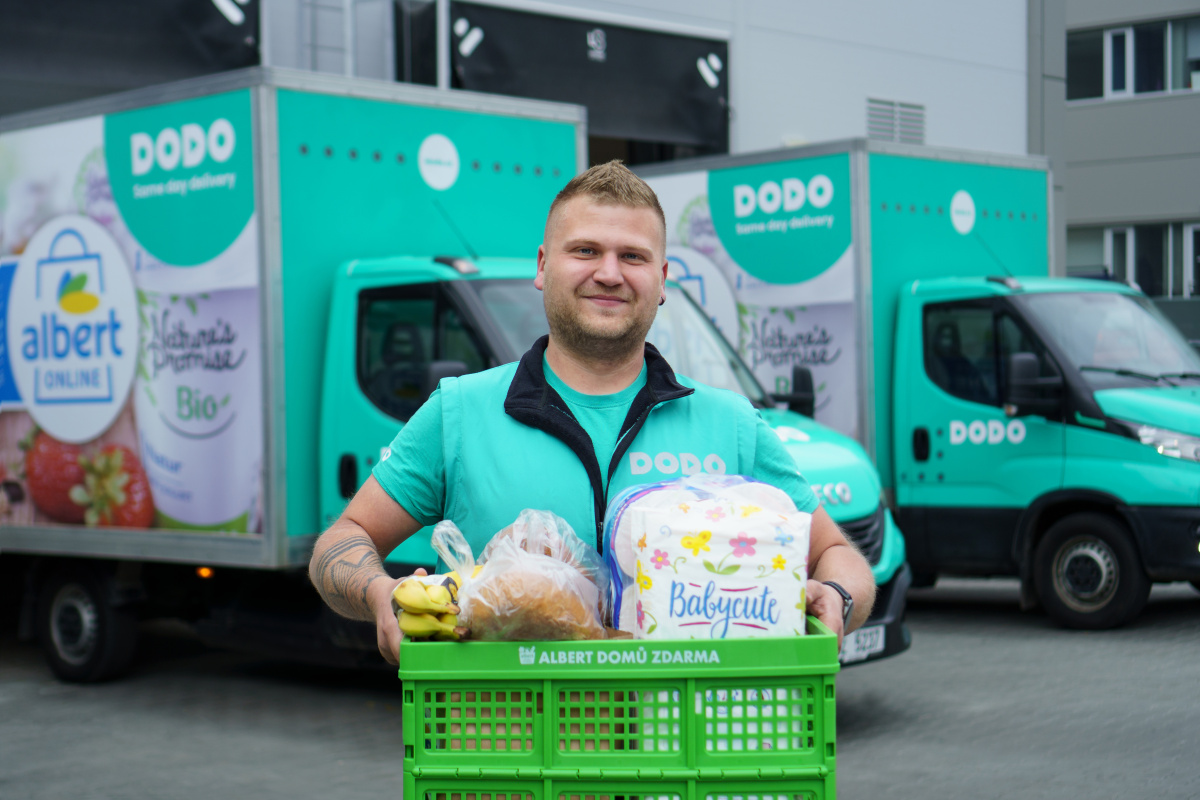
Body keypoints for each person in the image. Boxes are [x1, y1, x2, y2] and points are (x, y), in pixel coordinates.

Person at [309, 160, 876, 664]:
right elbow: (342, 540)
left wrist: (837, 596)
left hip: (684, 745)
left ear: (661, 280)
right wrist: (381, 594)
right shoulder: (459, 413)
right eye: (585, 250)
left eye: (633, 256)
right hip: (504, 746)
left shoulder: (732, 425)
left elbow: (835, 553)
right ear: (542, 266)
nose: (609, 272)